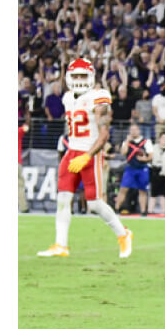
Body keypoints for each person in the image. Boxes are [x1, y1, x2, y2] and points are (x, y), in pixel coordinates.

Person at [38, 58, 133, 258]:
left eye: (83, 75)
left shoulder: (98, 97)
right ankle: (61, 245)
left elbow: (104, 134)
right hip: (71, 151)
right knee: (63, 199)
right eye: (76, 75)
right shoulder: (67, 98)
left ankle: (123, 234)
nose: (79, 79)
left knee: (95, 203)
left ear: (91, 77)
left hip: (90, 153)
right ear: (68, 77)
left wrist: (88, 156)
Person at [115, 122, 153, 215]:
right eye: (131, 130)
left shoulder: (146, 142)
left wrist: (144, 159)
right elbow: (123, 153)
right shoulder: (127, 142)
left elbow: (151, 156)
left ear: (139, 131)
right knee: (123, 189)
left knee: (142, 190)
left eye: (135, 130)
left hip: (142, 168)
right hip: (130, 168)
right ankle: (116, 209)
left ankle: (143, 211)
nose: (133, 132)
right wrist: (127, 141)